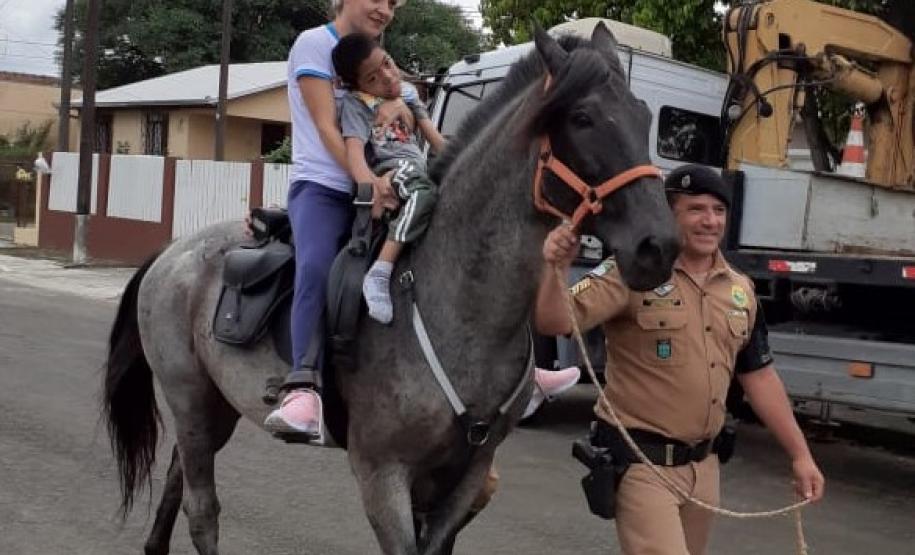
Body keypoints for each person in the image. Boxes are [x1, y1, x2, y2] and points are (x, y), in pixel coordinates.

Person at [535, 164, 825, 555]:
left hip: (704, 468)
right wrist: (557, 268)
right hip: (643, 464)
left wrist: (800, 455)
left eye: (718, 211)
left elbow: (759, 376)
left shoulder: (740, 289)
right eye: (696, 210)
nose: (710, 221)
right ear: (669, 214)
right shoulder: (631, 272)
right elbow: (554, 321)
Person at [264, 0, 410, 438]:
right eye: (378, 0)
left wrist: (395, 101)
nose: (385, 10)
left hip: (381, 183)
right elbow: (328, 128)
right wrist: (366, 182)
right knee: (316, 265)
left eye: (393, 3)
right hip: (324, 186)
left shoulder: (374, 51)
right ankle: (302, 385)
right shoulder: (314, 44)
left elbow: (395, 91)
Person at [331, 32, 446, 324]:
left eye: (387, 63)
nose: (386, 76)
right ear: (357, 85)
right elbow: (354, 151)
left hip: (419, 167)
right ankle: (381, 270)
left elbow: (435, 139)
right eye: (372, 78)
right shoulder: (356, 106)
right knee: (424, 192)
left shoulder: (407, 93)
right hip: (391, 171)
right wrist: (371, 187)